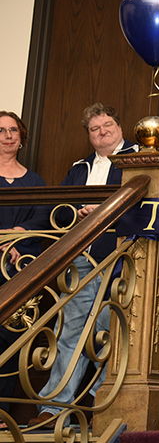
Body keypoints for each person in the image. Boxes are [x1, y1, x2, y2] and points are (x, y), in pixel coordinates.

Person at [27, 103, 138, 428]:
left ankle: (103, 408)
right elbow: (58, 211)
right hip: (79, 259)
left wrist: (103, 211)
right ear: (89, 135)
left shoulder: (139, 156)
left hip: (119, 259)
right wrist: (76, 213)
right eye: (95, 129)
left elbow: (148, 203)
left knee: (109, 332)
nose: (102, 132)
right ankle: (53, 408)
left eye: (107, 126)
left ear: (119, 126)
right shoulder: (79, 168)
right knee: (70, 332)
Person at [0, 111, 48, 426]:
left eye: (13, 130)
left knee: (9, 338)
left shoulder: (35, 181)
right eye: (1, 130)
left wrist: (19, 239)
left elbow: (44, 220)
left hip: (18, 270)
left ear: (22, 136)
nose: (7, 135)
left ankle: (1, 411)